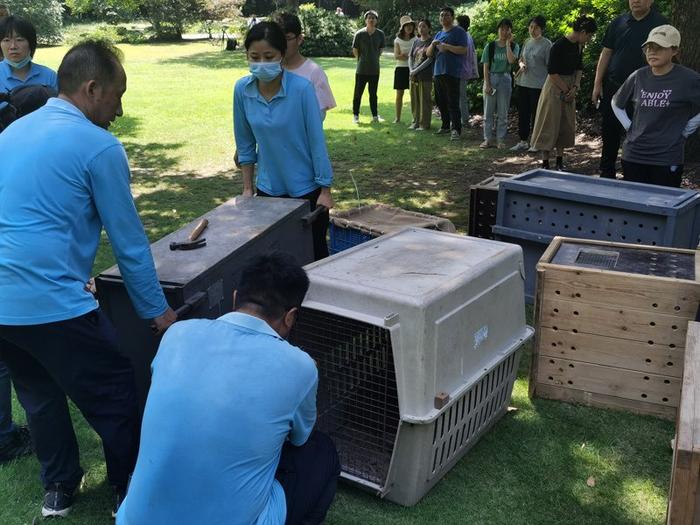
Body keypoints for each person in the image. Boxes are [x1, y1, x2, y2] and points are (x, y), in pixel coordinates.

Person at [0, 40, 177, 518]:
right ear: (92, 87)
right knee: (116, 389)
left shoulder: (12, 133)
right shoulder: (98, 146)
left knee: (37, 391)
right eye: (117, 95)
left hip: (2, 306)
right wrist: (158, 312)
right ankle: (129, 488)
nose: (120, 110)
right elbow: (130, 243)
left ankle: (58, 485)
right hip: (51, 302)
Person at [117, 253, 340, 525]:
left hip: (135, 520)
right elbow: (300, 439)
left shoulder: (176, 334)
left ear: (235, 299)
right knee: (321, 451)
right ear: (291, 317)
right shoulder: (301, 366)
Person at [234, 21, 334, 261]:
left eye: (268, 56)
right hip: (268, 189)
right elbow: (245, 143)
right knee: (274, 261)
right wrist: (248, 188)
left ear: (281, 55)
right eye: (254, 57)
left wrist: (325, 188)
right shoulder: (242, 90)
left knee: (314, 258)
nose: (261, 63)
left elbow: (316, 141)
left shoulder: (302, 89)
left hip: (307, 190)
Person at [612, 25, 700, 187]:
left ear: (674, 51)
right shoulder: (638, 76)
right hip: (633, 156)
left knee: (664, 207)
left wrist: (687, 129)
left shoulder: (689, 79)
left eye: (659, 48)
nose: (652, 52)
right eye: (649, 47)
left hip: (666, 158)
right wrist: (629, 126)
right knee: (634, 207)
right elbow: (616, 102)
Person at [592, 0, 667, 179]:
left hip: (646, 90)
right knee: (609, 130)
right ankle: (607, 173)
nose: (636, 1)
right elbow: (606, 53)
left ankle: (634, 175)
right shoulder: (617, 22)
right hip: (614, 87)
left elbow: (667, 56)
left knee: (639, 132)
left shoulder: (660, 24)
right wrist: (597, 84)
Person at [530, 15, 598, 170]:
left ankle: (560, 160)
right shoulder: (559, 45)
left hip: (570, 85)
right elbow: (552, 72)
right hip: (555, 85)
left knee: (564, 123)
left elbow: (579, 68)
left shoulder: (579, 46)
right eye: (589, 35)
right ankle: (545, 162)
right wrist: (566, 90)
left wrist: (575, 87)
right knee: (549, 122)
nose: (589, 38)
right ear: (582, 31)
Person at [274, 12, 336, 121]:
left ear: (299, 39)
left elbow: (319, 115)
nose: (281, 44)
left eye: (287, 38)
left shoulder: (314, 72)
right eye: (277, 38)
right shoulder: (270, 70)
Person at [427, 6, 469, 141]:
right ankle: (445, 126)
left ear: (452, 17)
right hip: (438, 71)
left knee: (453, 101)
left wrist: (447, 47)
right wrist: (433, 45)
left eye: (446, 15)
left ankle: (456, 129)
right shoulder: (438, 34)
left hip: (452, 72)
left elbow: (464, 50)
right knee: (441, 101)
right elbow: (428, 54)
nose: (443, 17)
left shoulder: (459, 32)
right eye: (441, 15)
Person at [0, 16, 58, 113]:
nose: (13, 46)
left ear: (31, 43)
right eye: (6, 40)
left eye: (19, 39)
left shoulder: (49, 76)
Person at [511, 15, 551, 152]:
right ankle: (523, 141)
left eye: (536, 27)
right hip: (523, 82)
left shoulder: (547, 44)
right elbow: (521, 58)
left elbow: (550, 66)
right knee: (523, 113)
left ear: (542, 29)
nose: (533, 30)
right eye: (531, 27)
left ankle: (536, 142)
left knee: (537, 114)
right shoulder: (527, 42)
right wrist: (521, 64)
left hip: (538, 85)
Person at [480, 18, 519, 149]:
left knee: (503, 112)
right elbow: (485, 66)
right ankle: (487, 139)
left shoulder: (515, 46)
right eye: (501, 28)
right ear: (498, 30)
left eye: (507, 29)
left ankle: (500, 140)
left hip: (505, 79)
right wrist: (487, 84)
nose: (504, 31)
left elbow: (511, 60)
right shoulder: (490, 46)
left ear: (510, 31)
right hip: (491, 77)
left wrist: (508, 44)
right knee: (488, 112)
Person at [352, 10, 385, 124]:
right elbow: (355, 50)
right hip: (361, 69)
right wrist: (361, 60)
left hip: (374, 70)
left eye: (373, 18)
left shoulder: (380, 34)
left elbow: (380, 49)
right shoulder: (359, 34)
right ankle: (355, 116)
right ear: (366, 20)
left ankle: (375, 116)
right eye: (369, 18)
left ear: (376, 20)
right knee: (358, 93)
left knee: (373, 94)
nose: (371, 20)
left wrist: (373, 58)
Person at [408, 19, 434, 131]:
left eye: (424, 26)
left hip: (425, 75)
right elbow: (410, 57)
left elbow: (430, 59)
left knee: (425, 100)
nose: (421, 29)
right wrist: (411, 69)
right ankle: (415, 122)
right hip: (413, 75)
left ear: (429, 28)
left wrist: (416, 70)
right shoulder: (416, 41)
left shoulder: (431, 42)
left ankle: (424, 124)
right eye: (419, 27)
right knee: (414, 99)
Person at [456, 15, 478, 128]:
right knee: (462, 96)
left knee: (460, 97)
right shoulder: (468, 35)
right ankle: (464, 119)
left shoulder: (462, 36)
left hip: (460, 70)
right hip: (466, 70)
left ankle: (463, 120)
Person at [393, 16, 415, 123]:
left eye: (410, 25)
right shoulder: (397, 40)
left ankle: (415, 118)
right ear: (403, 28)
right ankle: (397, 118)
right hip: (400, 69)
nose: (409, 28)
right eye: (407, 26)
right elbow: (396, 56)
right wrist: (408, 55)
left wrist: (406, 55)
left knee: (413, 94)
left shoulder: (416, 39)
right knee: (399, 94)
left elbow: (417, 55)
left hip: (413, 69)